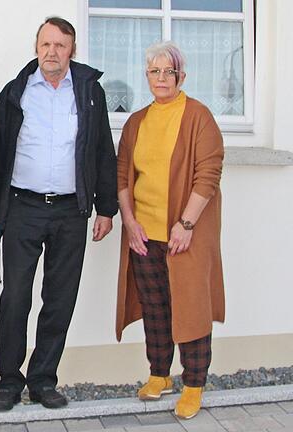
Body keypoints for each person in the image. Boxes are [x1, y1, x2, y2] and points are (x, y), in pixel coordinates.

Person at [0, 16, 118, 411]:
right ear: (36, 47)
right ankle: (8, 381)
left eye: (60, 45)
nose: (52, 52)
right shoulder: (16, 92)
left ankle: (43, 379)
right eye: (46, 44)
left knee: (60, 298)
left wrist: (106, 208)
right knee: (15, 298)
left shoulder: (90, 92)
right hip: (22, 208)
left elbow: (102, 152)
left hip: (70, 211)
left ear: (72, 50)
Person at [115, 41, 225, 420]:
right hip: (145, 233)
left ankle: (194, 382)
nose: (161, 78)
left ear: (181, 75)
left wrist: (187, 223)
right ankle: (159, 374)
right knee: (155, 307)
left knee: (191, 305)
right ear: (147, 76)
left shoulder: (199, 116)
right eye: (154, 71)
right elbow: (123, 177)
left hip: (185, 234)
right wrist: (130, 224)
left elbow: (208, 174)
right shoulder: (136, 122)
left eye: (169, 71)